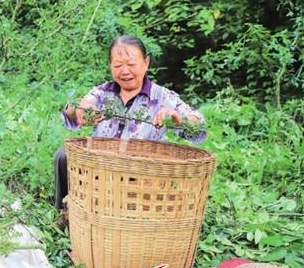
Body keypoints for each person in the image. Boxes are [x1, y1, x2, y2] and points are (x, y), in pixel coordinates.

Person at [54, 35, 206, 210]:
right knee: (63, 156)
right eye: (118, 66)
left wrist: (179, 119)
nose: (125, 71)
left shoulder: (162, 97)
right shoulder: (103, 92)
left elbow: (199, 129)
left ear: (146, 62)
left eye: (131, 64)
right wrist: (80, 109)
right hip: (100, 167)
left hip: (138, 174)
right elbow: (70, 114)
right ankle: (65, 213)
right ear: (110, 66)